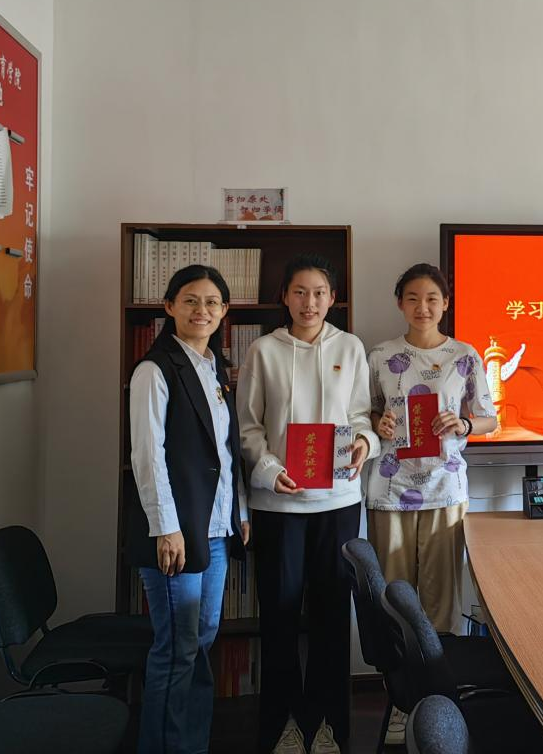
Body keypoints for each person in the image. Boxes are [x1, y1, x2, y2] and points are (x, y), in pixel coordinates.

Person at [237, 254, 379, 754]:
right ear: (285, 297)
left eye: (319, 292)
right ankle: (283, 725)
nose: (309, 302)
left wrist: (363, 443)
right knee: (278, 616)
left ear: (332, 298)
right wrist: (269, 470)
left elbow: (361, 415)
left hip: (338, 503)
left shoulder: (350, 347)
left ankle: (328, 725)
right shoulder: (263, 350)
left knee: (331, 616)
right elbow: (249, 426)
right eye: (299, 292)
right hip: (278, 506)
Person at [364, 263, 498, 744]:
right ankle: (402, 704)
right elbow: (364, 411)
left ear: (446, 304)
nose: (423, 307)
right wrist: (376, 422)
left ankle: (436, 703)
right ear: (400, 303)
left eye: (432, 299)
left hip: (444, 490)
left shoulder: (465, 356)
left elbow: (489, 419)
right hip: (389, 490)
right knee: (394, 602)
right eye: (413, 298)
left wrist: (464, 425)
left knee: (440, 604)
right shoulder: (380, 355)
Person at [127, 263, 249, 754]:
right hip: (176, 531)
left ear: (224, 311)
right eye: (191, 301)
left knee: (201, 639)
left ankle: (191, 744)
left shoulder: (214, 369)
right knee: (177, 648)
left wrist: (240, 512)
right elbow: (147, 456)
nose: (202, 310)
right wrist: (166, 528)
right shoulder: (154, 370)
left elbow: (226, 452)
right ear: (169, 307)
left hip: (214, 527)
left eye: (212, 302)